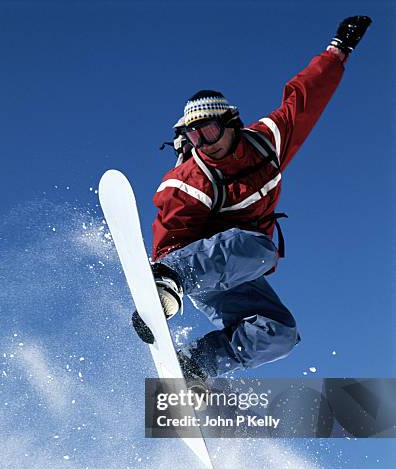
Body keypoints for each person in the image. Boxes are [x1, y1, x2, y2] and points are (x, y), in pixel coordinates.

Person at [133, 16, 372, 381]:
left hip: (237, 271)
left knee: (281, 332)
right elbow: (167, 246)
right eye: (194, 138)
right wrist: (158, 292)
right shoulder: (187, 181)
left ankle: (197, 366)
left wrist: (338, 49)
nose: (205, 145)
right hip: (197, 269)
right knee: (261, 249)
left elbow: (307, 98)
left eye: (209, 132)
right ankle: (173, 285)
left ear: (231, 123)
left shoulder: (267, 142)